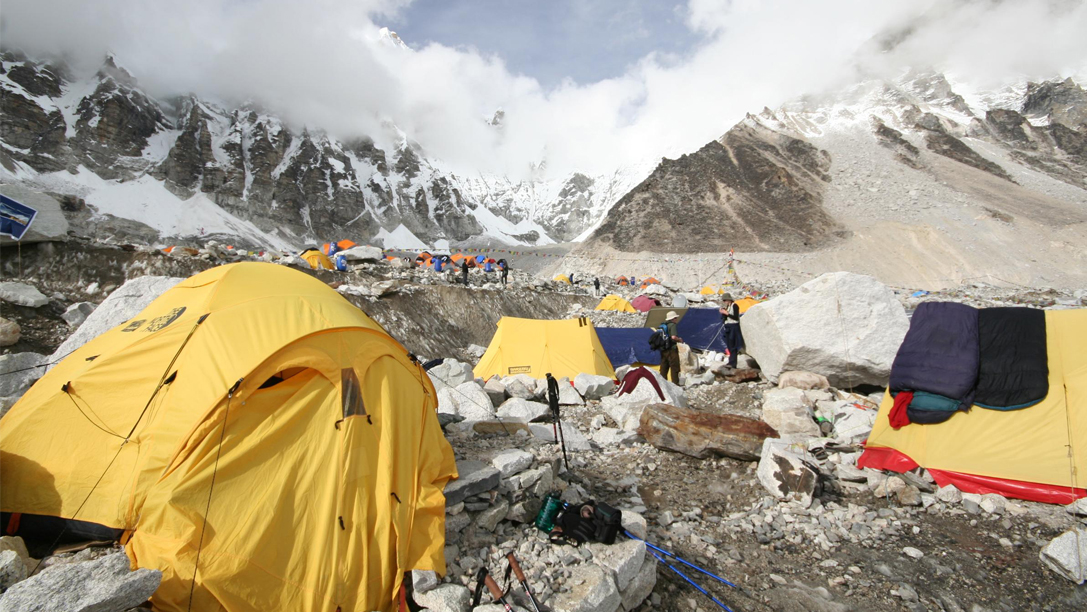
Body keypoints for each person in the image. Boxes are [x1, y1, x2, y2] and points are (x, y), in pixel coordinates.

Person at [658, 311, 683, 385]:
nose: (676, 319)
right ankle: (675, 384)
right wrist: (679, 340)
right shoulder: (672, 325)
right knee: (674, 367)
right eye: (675, 318)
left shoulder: (662, 325)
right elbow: (673, 337)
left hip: (663, 349)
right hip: (671, 349)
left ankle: (663, 384)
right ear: (673, 318)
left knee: (664, 367)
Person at [719, 293, 743, 369]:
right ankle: (731, 361)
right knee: (729, 345)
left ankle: (733, 363)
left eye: (725, 300)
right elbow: (724, 319)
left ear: (729, 300)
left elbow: (735, 317)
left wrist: (727, 313)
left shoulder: (735, 306)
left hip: (734, 327)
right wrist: (723, 313)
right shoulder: (727, 307)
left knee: (733, 345)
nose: (724, 302)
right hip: (728, 326)